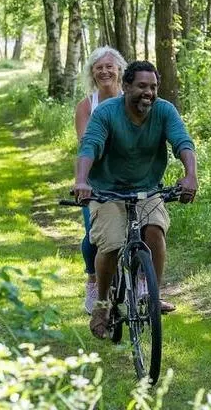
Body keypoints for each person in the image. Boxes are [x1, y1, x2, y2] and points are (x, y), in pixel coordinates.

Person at [74, 60, 198, 339]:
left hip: (147, 189)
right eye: (142, 86)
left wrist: (191, 175)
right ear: (126, 86)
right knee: (112, 244)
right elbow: (89, 145)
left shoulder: (164, 110)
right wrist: (81, 181)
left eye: (153, 87)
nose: (148, 93)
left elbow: (183, 142)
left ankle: (152, 294)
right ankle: (102, 305)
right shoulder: (107, 112)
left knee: (155, 231)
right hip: (107, 190)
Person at [74, 46, 127, 315]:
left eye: (109, 66)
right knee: (94, 235)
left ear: (119, 70)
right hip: (97, 179)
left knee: (143, 228)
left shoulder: (132, 99)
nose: (105, 71)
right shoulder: (87, 106)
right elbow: (86, 144)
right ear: (92, 73)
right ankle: (93, 281)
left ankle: (145, 285)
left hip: (130, 176)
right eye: (99, 68)